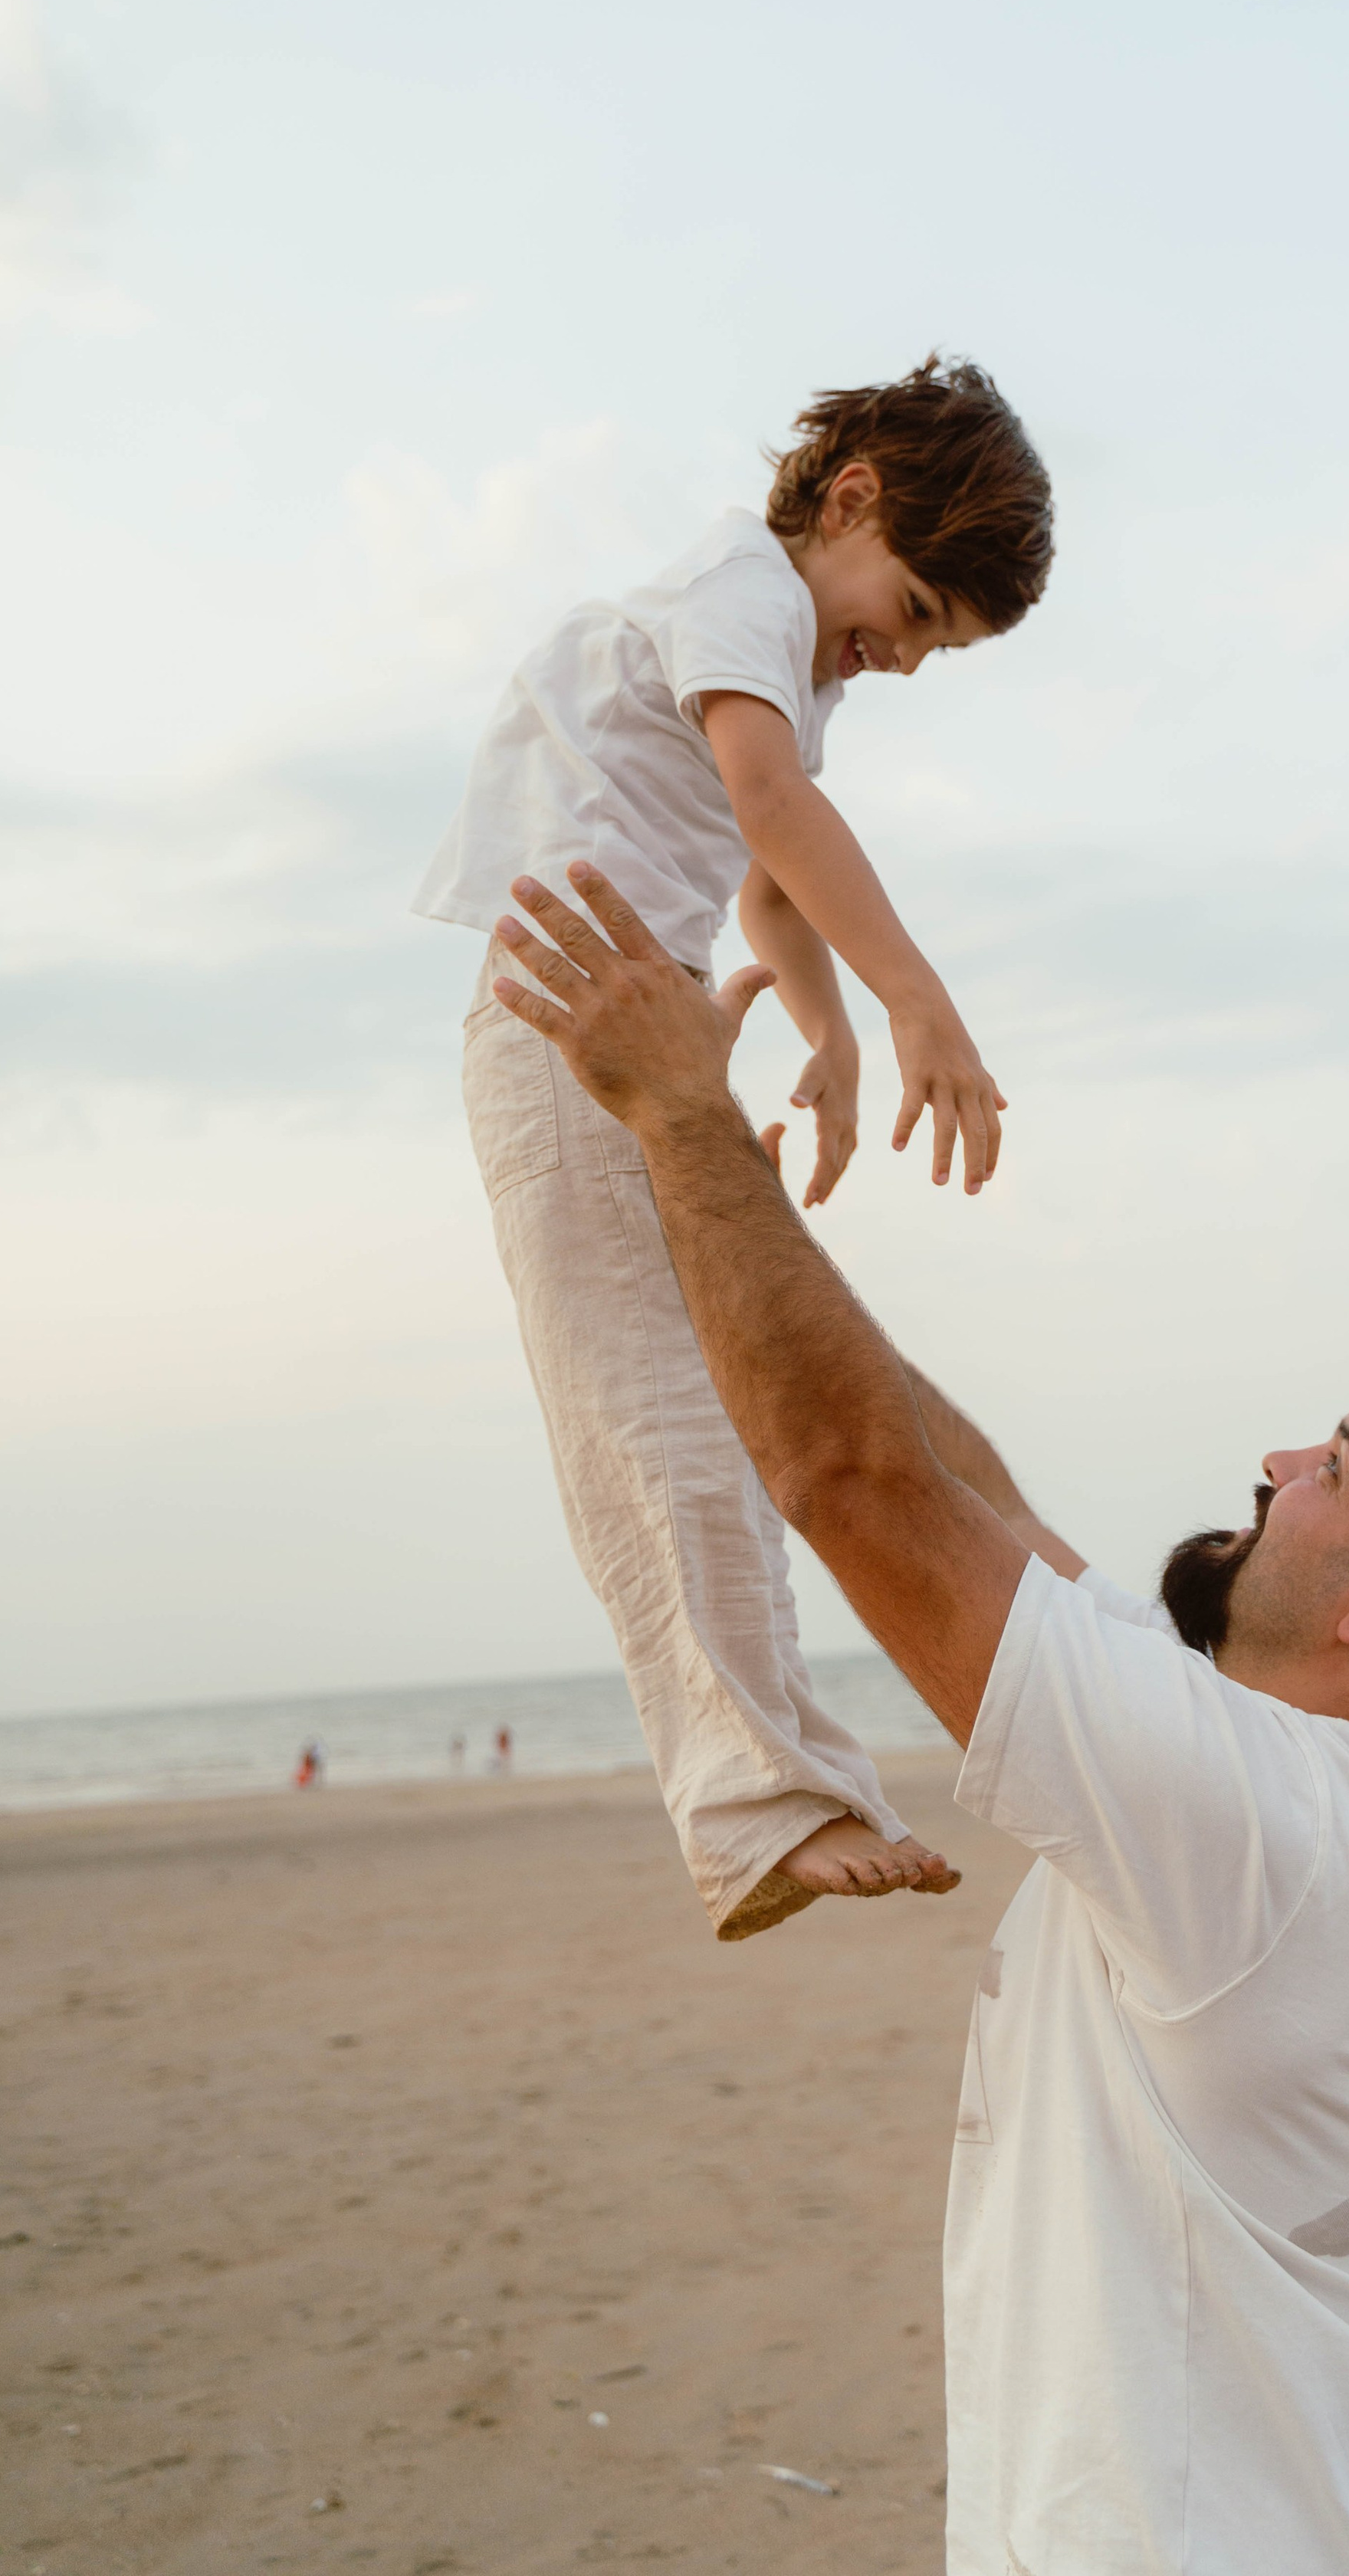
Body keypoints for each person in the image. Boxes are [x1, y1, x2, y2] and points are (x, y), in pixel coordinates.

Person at [486, 865, 1349, 2575]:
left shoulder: (1268, 1824)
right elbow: (971, 1496)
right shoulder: (1305, 1794)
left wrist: (679, 1116)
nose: (1268, 1461)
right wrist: (692, 1191)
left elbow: (855, 1484)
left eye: (1330, 1464)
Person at [413, 359, 1054, 1941]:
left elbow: (759, 872)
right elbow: (765, 806)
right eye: (910, 612)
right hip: (569, 1028)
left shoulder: (779, 655)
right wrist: (918, 1004)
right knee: (649, 1417)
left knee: (735, 1407)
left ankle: (793, 1780)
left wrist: (826, 1034)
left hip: (638, 1035)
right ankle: (756, 1806)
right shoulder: (737, 589)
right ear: (849, 500)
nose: (899, 659)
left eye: (932, 649)